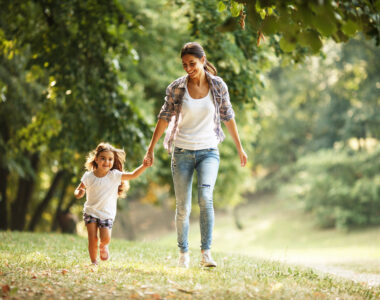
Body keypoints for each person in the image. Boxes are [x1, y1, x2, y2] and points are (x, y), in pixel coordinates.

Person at [144, 42, 248, 268]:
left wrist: (240, 148)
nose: (188, 68)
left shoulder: (218, 86)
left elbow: (228, 116)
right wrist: (150, 148)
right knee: (183, 207)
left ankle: (206, 253)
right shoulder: (176, 88)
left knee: (206, 198)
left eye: (192, 63)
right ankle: (183, 254)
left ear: (203, 60)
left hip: (209, 151)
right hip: (181, 151)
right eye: (184, 65)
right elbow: (164, 118)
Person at [75, 142, 149, 265]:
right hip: (90, 211)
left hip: (106, 213)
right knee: (92, 238)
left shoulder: (114, 176)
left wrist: (144, 166)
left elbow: (133, 175)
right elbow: (78, 189)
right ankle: (94, 261)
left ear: (113, 161)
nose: (106, 162)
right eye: (103, 158)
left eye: (110, 159)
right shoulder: (88, 176)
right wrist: (79, 193)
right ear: (96, 159)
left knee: (105, 238)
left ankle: (104, 246)